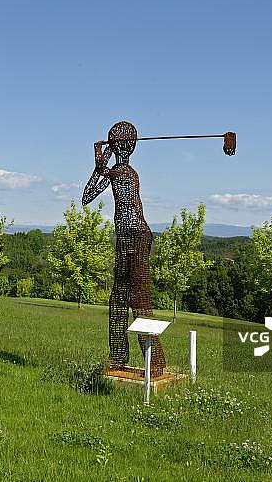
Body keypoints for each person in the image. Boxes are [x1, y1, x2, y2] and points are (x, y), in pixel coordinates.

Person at [82, 121, 166, 376]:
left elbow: (99, 179)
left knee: (139, 300)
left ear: (123, 145)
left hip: (137, 236)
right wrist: (103, 157)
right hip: (125, 238)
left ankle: (156, 361)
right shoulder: (117, 171)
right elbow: (87, 196)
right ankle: (118, 356)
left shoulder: (126, 174)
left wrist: (100, 156)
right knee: (117, 299)